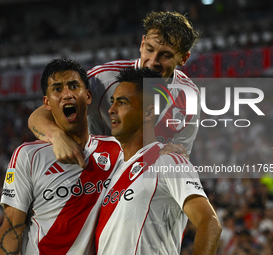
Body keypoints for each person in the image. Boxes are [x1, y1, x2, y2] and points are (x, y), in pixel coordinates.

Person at [28, 11, 201, 167]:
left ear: (184, 59)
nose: (153, 61)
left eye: (166, 55)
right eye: (149, 49)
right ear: (141, 44)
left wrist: (176, 155)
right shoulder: (103, 79)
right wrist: (56, 136)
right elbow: (39, 116)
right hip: (94, 176)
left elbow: (181, 153)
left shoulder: (189, 97)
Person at [0, 58, 123, 255]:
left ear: (87, 96)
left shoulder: (116, 151)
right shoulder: (28, 156)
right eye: (57, 89)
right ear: (47, 103)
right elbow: (11, 230)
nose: (67, 94)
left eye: (73, 86)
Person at [95, 67, 221, 255]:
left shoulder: (168, 160)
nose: (111, 110)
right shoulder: (115, 169)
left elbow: (209, 222)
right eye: (112, 102)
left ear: (148, 113)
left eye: (122, 103)